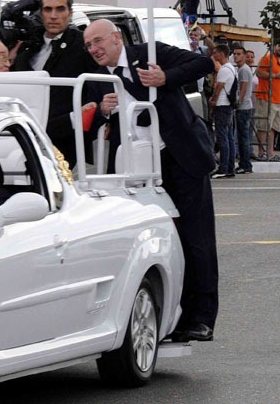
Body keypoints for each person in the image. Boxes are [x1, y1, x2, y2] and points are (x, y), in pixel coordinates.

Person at [83, 19, 218, 342]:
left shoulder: (149, 53)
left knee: (195, 239)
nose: (95, 49)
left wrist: (165, 77)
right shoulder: (96, 79)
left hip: (179, 157)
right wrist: (103, 109)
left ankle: (200, 319)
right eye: (89, 45)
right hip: (136, 169)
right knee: (154, 245)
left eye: (99, 41)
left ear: (117, 38)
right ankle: (164, 318)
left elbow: (203, 62)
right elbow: (97, 120)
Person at [11, 0, 98, 167]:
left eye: (60, 9)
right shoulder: (27, 47)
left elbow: (97, 90)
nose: (53, 16)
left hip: (65, 144)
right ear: (40, 13)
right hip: (22, 138)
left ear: (70, 13)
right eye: (47, 9)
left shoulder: (83, 46)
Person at [254, 39, 280, 162]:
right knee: (264, 127)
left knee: (273, 128)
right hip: (266, 98)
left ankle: (270, 153)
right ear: (274, 47)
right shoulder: (267, 58)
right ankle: (261, 153)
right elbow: (258, 72)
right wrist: (274, 76)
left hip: (279, 100)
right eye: (279, 45)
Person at [209, 44, 237, 179]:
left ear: (221, 53)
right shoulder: (232, 69)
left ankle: (223, 168)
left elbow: (219, 87)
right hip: (228, 106)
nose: (213, 55)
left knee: (222, 138)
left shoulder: (224, 70)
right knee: (229, 137)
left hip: (222, 105)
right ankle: (230, 167)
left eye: (215, 53)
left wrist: (213, 101)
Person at [231, 44, 254, 174]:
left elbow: (243, 87)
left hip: (244, 107)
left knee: (243, 137)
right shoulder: (241, 69)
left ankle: (245, 164)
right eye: (234, 54)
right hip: (244, 106)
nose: (236, 56)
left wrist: (238, 102)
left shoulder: (243, 70)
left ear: (244, 56)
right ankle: (245, 164)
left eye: (239, 54)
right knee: (241, 136)